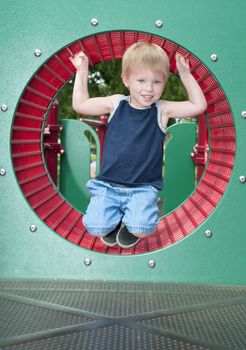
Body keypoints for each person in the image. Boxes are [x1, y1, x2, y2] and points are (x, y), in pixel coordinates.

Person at [69, 42, 207, 248]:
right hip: (108, 185)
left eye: (157, 82)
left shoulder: (162, 110)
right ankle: (113, 221)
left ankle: (130, 224)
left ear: (165, 82)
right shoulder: (116, 104)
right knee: (95, 228)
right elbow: (80, 104)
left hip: (142, 189)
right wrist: (82, 70)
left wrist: (185, 75)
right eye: (141, 80)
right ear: (126, 80)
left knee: (142, 228)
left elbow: (198, 106)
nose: (148, 89)